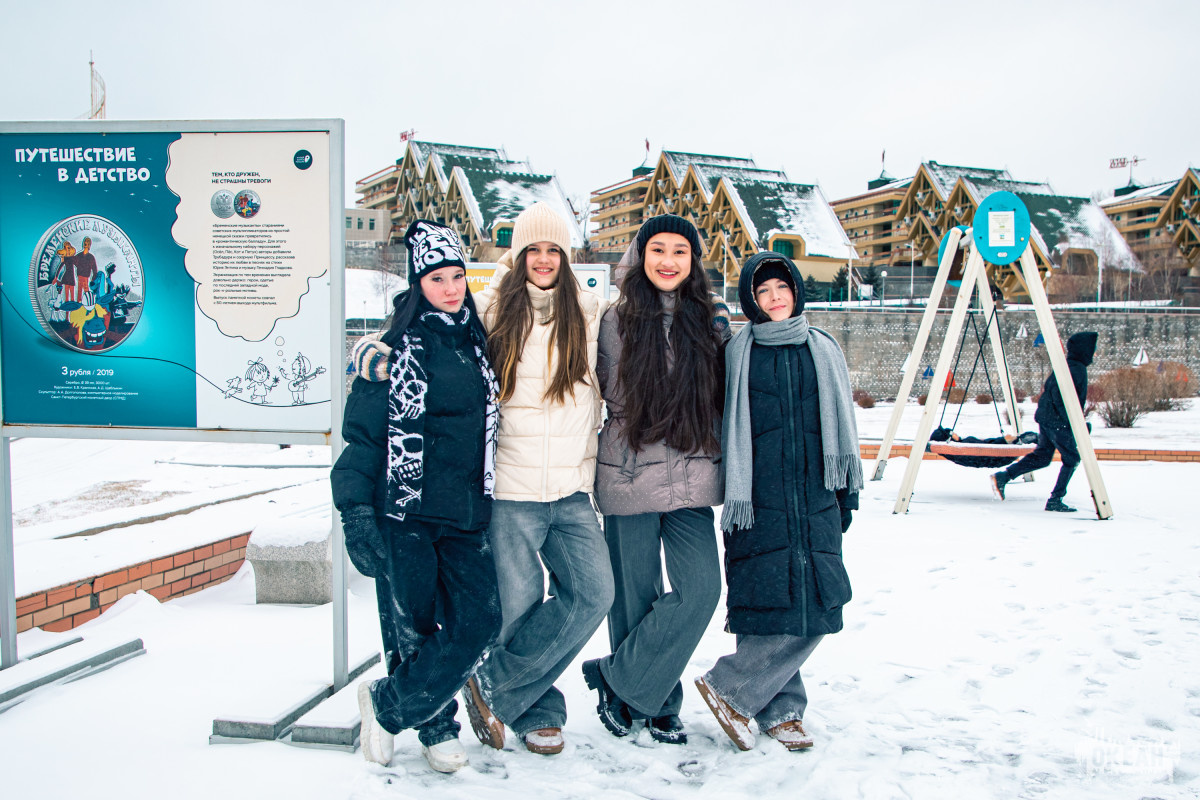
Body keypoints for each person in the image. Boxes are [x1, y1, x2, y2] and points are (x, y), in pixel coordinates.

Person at [443, 201, 615, 757]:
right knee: (518, 603)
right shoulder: (489, 309)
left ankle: (494, 686)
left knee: (594, 593)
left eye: (553, 250)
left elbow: (648, 323)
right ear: (518, 256)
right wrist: (373, 351)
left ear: (567, 256)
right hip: (511, 492)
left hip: (569, 489)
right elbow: (423, 330)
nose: (543, 259)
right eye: (533, 250)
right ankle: (537, 708)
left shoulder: (589, 311)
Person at [331, 219, 502, 774]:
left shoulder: (477, 345)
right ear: (417, 282)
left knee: (480, 621)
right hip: (405, 510)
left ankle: (386, 704)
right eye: (437, 278)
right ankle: (434, 725)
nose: (451, 289)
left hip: (468, 511)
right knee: (413, 624)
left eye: (458, 277)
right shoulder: (389, 351)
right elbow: (361, 436)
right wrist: (355, 512)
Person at [693, 252, 862, 752]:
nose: (775, 298)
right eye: (763, 291)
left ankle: (733, 687)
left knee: (819, 604)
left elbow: (844, 422)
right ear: (752, 299)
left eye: (781, 288)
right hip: (755, 497)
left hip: (815, 496)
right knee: (766, 603)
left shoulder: (824, 349)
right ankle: (782, 711)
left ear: (796, 291)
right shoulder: (736, 352)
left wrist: (845, 493)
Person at [581, 214, 729, 745]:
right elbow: (594, 387)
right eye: (658, 249)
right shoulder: (615, 321)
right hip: (628, 471)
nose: (668, 261)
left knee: (701, 590)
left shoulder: (709, 323)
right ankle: (657, 701)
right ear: (641, 257)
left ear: (693, 262)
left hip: (693, 473)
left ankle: (619, 680)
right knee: (633, 595)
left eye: (680, 252)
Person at [991, 331, 1098, 512]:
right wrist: (1074, 424)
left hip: (1047, 418)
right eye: (1093, 349)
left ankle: (1003, 476)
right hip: (1057, 421)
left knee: (1042, 456)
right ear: (1085, 350)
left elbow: (1052, 392)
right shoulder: (1077, 369)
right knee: (1072, 459)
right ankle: (1055, 499)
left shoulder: (1067, 366)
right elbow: (1061, 397)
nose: (1094, 353)